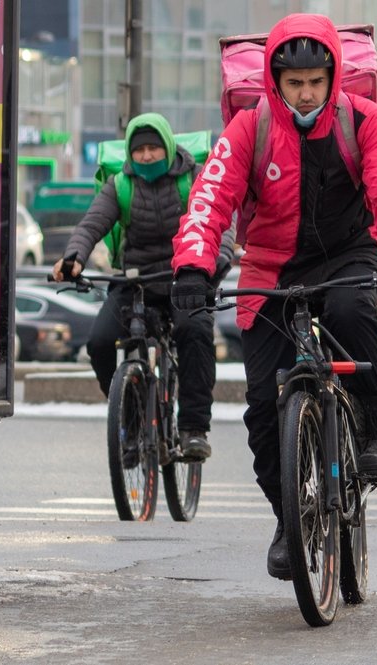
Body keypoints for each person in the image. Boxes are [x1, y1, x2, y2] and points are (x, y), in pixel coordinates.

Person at [169, 14, 377, 580]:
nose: (306, 93)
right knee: (264, 410)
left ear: (333, 77)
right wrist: (193, 266)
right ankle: (289, 520)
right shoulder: (249, 128)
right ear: (275, 81)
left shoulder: (364, 120)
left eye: (315, 81)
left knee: (351, 312)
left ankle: (376, 429)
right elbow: (210, 199)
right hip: (271, 266)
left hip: (349, 254)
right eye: (294, 83)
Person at [52, 112, 235, 462]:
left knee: (195, 333)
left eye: (154, 148)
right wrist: (74, 257)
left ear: (168, 146)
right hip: (135, 280)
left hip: (187, 276)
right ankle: (130, 417)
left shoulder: (195, 178)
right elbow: (91, 225)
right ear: (129, 154)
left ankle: (194, 429)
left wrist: (219, 257)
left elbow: (220, 218)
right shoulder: (120, 185)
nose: (147, 155)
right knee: (100, 342)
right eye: (139, 150)